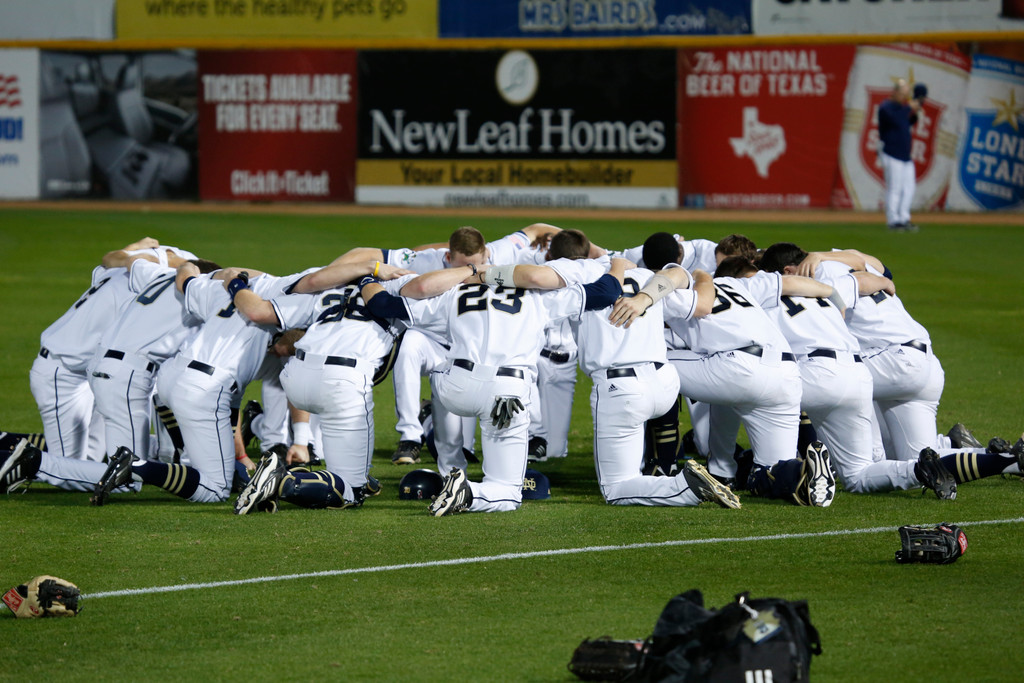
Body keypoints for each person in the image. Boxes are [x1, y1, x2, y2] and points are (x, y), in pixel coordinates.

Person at [360, 257, 626, 516]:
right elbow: (606, 292)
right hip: (508, 394)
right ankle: (469, 493)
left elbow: (384, 305)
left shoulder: (455, 294)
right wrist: (617, 263)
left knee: (440, 369)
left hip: (458, 387)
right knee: (508, 492)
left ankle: (447, 460)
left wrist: (365, 280)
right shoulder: (539, 299)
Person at [877, 78, 922, 232]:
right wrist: (908, 107)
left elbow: (907, 122)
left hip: (905, 155)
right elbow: (895, 120)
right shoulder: (886, 107)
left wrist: (914, 112)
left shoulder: (901, 108)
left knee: (909, 187)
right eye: (903, 93)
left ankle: (904, 218)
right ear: (895, 91)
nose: (905, 97)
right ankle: (893, 220)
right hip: (891, 153)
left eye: (907, 94)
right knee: (894, 187)